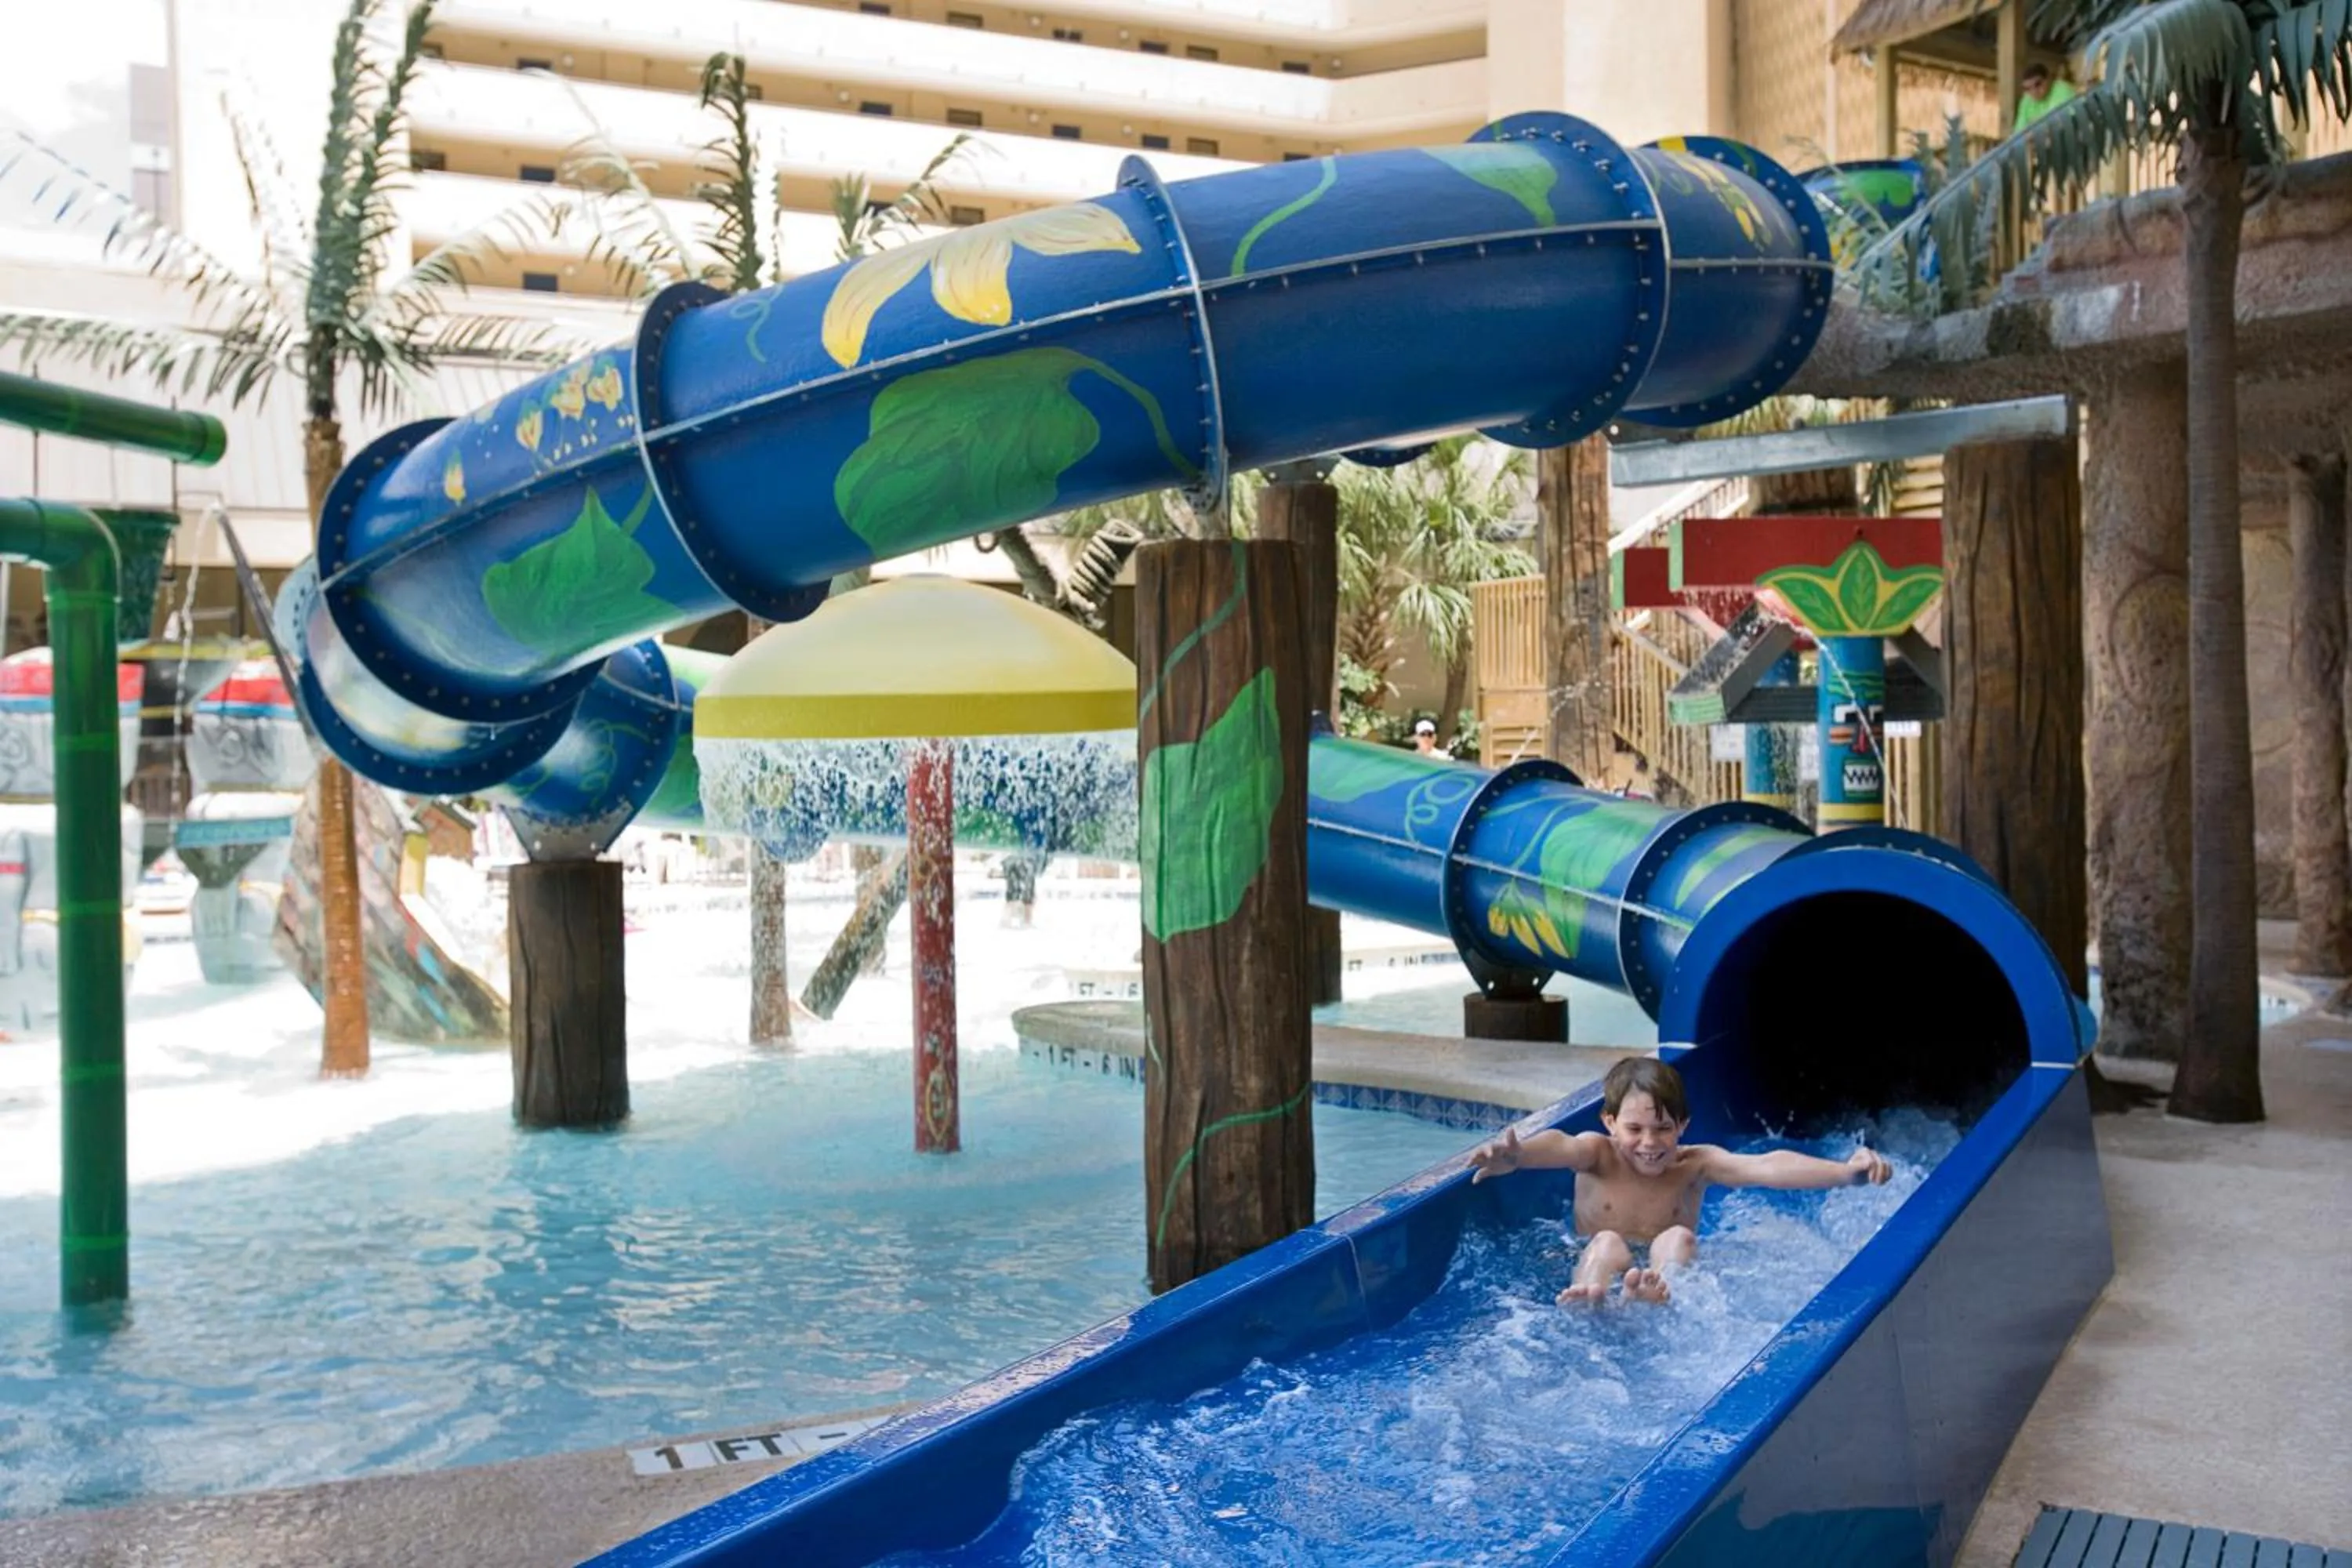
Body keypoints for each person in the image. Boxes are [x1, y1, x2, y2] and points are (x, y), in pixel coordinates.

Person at [1468, 1056, 1893, 1306]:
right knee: (1607, 1243)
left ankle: (1658, 1295)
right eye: (1635, 1129)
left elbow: (1766, 1166)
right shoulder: (1597, 1153)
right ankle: (1589, 1298)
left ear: (1684, 1126)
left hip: (1660, 1267)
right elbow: (1560, 1145)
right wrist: (1518, 1156)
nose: (1650, 1143)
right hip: (1596, 1260)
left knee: (1678, 1238)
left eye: (1664, 1129)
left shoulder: (1695, 1166)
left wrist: (1845, 1173)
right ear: (1610, 1122)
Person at [2013, 63, 2077, 132]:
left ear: (2048, 78)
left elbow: (2071, 120)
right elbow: (2019, 133)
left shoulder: (2062, 89)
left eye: (2038, 84)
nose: (2034, 91)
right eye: (2028, 88)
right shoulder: (2026, 100)